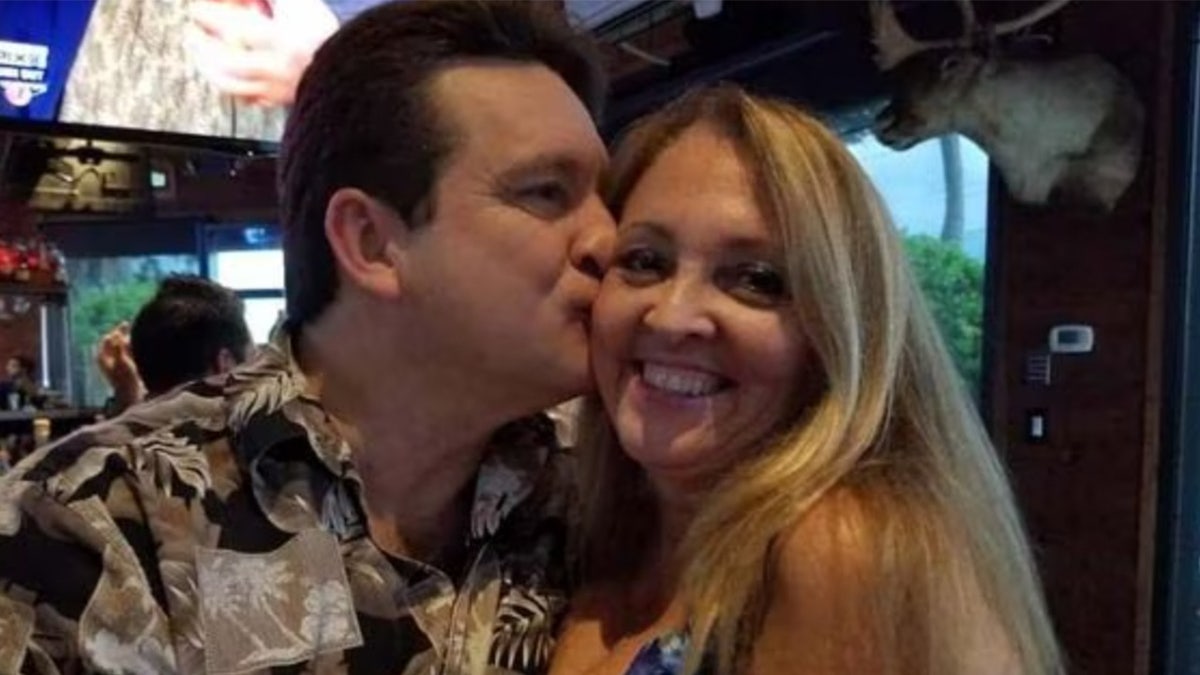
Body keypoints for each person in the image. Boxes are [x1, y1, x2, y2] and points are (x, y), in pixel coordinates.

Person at [0, 2, 611, 673]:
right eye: (548, 192)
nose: (608, 240)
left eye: (605, 196)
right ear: (371, 241)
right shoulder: (100, 516)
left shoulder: (604, 493)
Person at [551, 85, 1063, 675]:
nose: (672, 317)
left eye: (756, 280)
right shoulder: (604, 528)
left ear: (838, 333)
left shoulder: (840, 549)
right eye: (644, 261)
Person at [95, 275, 254, 415]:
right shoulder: (247, 443)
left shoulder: (111, 443)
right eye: (252, 361)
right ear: (225, 365)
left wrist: (125, 395)